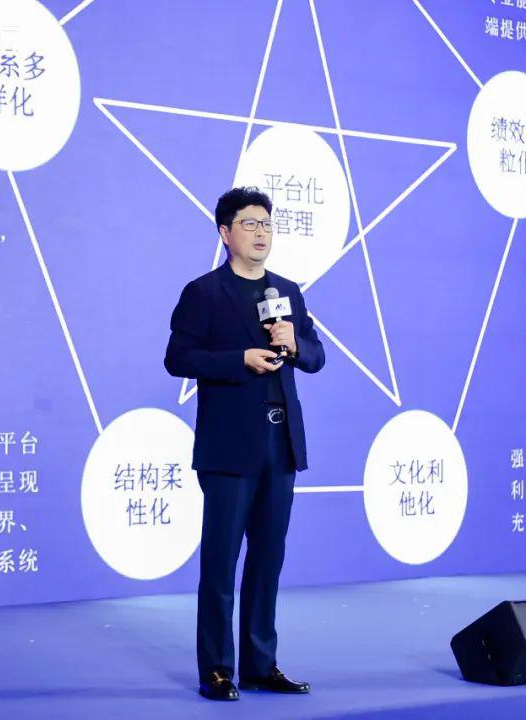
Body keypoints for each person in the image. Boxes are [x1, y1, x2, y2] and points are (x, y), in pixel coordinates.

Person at [164, 186, 325, 701]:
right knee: (220, 563)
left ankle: (260, 663)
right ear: (225, 233)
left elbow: (317, 356)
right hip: (229, 448)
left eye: (267, 224)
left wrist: (294, 343)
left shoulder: (287, 291)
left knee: (268, 559)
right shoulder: (204, 293)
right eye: (250, 224)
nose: (261, 233)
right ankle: (217, 668)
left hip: (281, 445)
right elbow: (178, 358)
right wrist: (240, 360)